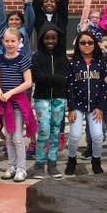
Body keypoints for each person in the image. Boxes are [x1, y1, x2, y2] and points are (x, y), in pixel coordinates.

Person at [65, 31, 107, 176]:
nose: (86, 45)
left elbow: (104, 87)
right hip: (77, 106)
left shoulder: (101, 64)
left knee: (97, 136)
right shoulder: (72, 64)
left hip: (95, 106)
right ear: (78, 45)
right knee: (74, 135)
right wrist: (71, 108)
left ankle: (96, 161)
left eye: (90, 42)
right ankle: (71, 159)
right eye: (83, 43)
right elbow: (69, 86)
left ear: (95, 44)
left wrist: (101, 107)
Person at [0, 28, 36, 182]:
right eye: (7, 41)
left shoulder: (22, 60)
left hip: (17, 103)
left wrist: (11, 92)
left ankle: (21, 168)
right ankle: (12, 166)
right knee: (9, 137)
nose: (10, 44)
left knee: (17, 137)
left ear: (19, 42)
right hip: (4, 103)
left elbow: (28, 82)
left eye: (13, 41)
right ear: (2, 42)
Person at [30, 23, 70, 179]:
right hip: (42, 98)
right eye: (47, 38)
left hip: (59, 98)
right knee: (44, 129)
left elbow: (66, 78)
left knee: (55, 131)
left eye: (53, 38)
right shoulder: (36, 57)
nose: (50, 41)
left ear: (58, 39)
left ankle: (52, 162)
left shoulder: (62, 57)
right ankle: (39, 163)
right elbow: (37, 77)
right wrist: (55, 79)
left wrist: (49, 78)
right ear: (42, 39)